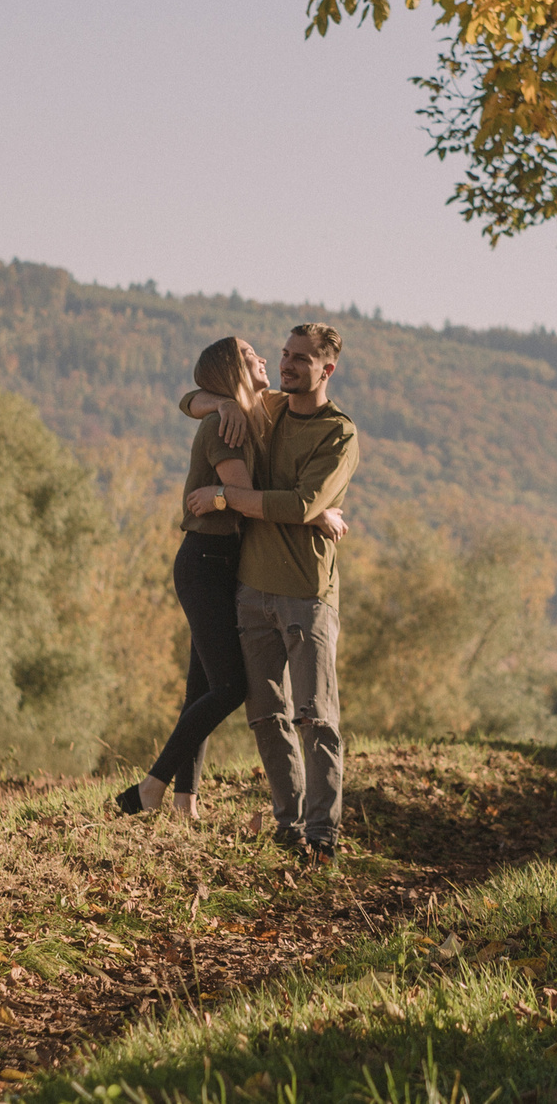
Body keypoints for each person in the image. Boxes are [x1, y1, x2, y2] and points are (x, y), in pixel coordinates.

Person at [116, 336, 346, 820]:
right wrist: (312, 513)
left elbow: (188, 400)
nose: (266, 359)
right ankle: (150, 788)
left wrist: (313, 508)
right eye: (250, 356)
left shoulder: (255, 410)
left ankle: (185, 801)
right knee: (228, 688)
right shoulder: (226, 423)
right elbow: (243, 495)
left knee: (201, 687)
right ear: (231, 372)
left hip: (226, 563)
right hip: (206, 563)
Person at [183, 323, 359, 862]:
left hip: (307, 592)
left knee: (316, 715)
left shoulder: (339, 433)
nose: (286, 364)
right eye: (284, 354)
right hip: (250, 590)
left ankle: (322, 835)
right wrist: (218, 401)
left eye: (301, 358)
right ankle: (289, 826)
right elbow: (188, 398)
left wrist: (223, 496)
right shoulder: (272, 408)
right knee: (266, 715)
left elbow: (301, 505)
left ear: (325, 370)